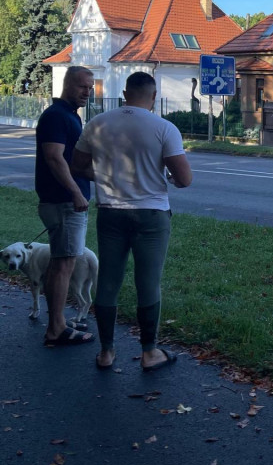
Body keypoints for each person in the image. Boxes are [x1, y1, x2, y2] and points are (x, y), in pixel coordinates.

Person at [72, 71, 192, 371]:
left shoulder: (97, 123)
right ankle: (150, 352)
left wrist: (104, 177)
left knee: (109, 281)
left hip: (111, 212)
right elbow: (185, 179)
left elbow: (78, 166)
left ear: (125, 93)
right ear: (153, 96)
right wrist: (166, 178)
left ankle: (106, 352)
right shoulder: (164, 128)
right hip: (151, 215)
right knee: (148, 283)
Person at [35, 65, 96, 346]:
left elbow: (74, 162)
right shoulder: (56, 116)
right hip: (63, 202)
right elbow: (54, 158)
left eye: (90, 87)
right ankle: (56, 329)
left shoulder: (70, 116)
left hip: (66, 201)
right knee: (63, 264)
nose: (88, 92)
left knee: (64, 262)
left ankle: (57, 323)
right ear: (67, 84)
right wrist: (75, 193)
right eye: (83, 86)